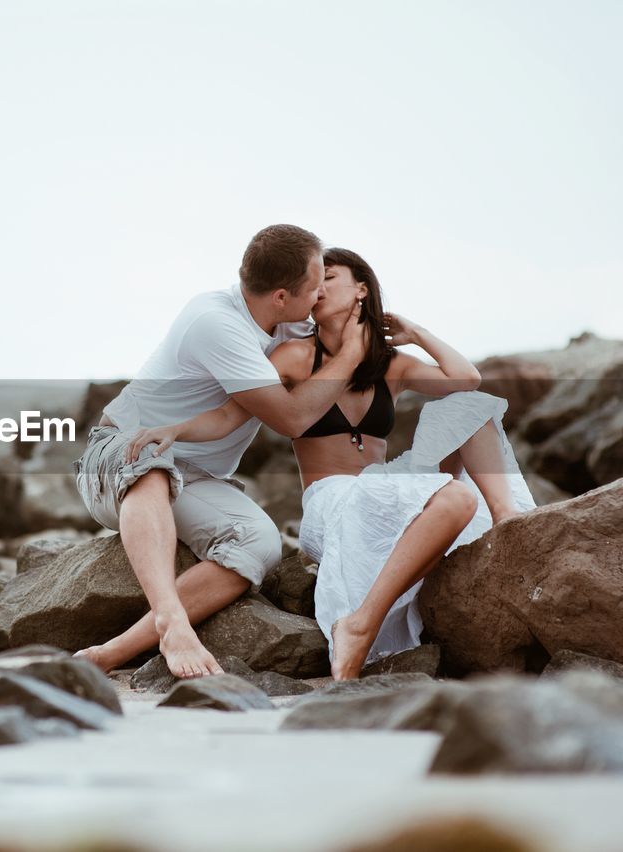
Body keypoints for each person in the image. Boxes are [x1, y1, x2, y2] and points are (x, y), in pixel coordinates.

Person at [122, 247, 536, 680]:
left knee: (467, 407)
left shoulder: (390, 364)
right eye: (315, 281)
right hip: (333, 499)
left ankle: (506, 519)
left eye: (330, 278)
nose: (317, 289)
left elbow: (466, 378)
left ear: (361, 289)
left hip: (384, 486)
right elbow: (229, 415)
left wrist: (415, 331)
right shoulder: (294, 357)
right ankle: (360, 623)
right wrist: (175, 429)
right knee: (455, 499)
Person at [72, 225, 368, 679]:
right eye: (314, 287)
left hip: (195, 475)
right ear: (281, 296)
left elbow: (336, 319)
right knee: (150, 467)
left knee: (262, 543)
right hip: (121, 449)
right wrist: (350, 356)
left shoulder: (286, 318)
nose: (320, 296)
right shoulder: (216, 322)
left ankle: (110, 652)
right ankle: (172, 624)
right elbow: (290, 418)